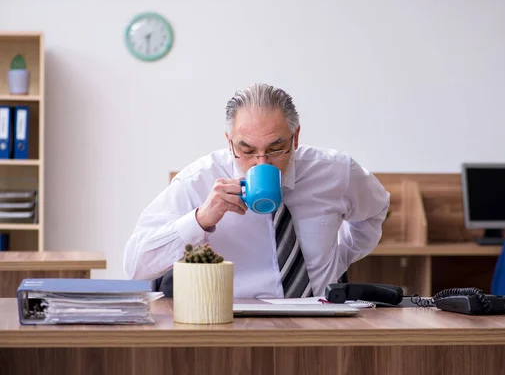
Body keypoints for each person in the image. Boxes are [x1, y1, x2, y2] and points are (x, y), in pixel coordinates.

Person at [123, 83, 390, 298]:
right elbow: (136, 265)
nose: (261, 162)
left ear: (295, 137)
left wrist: (339, 257)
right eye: (247, 150)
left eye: (276, 149)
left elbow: (376, 208)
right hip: (235, 325)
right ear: (229, 143)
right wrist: (200, 219)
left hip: (320, 319)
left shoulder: (336, 171)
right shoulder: (199, 180)